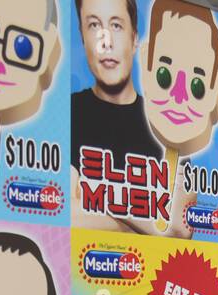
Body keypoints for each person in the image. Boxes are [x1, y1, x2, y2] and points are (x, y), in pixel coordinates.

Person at [69, 0, 195, 236]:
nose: (107, 42)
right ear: (82, 36)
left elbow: (179, 225)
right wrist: (144, 224)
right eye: (95, 25)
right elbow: (66, 214)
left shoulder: (167, 123)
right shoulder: (68, 112)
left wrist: (91, 191)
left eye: (116, 26)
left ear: (135, 37)